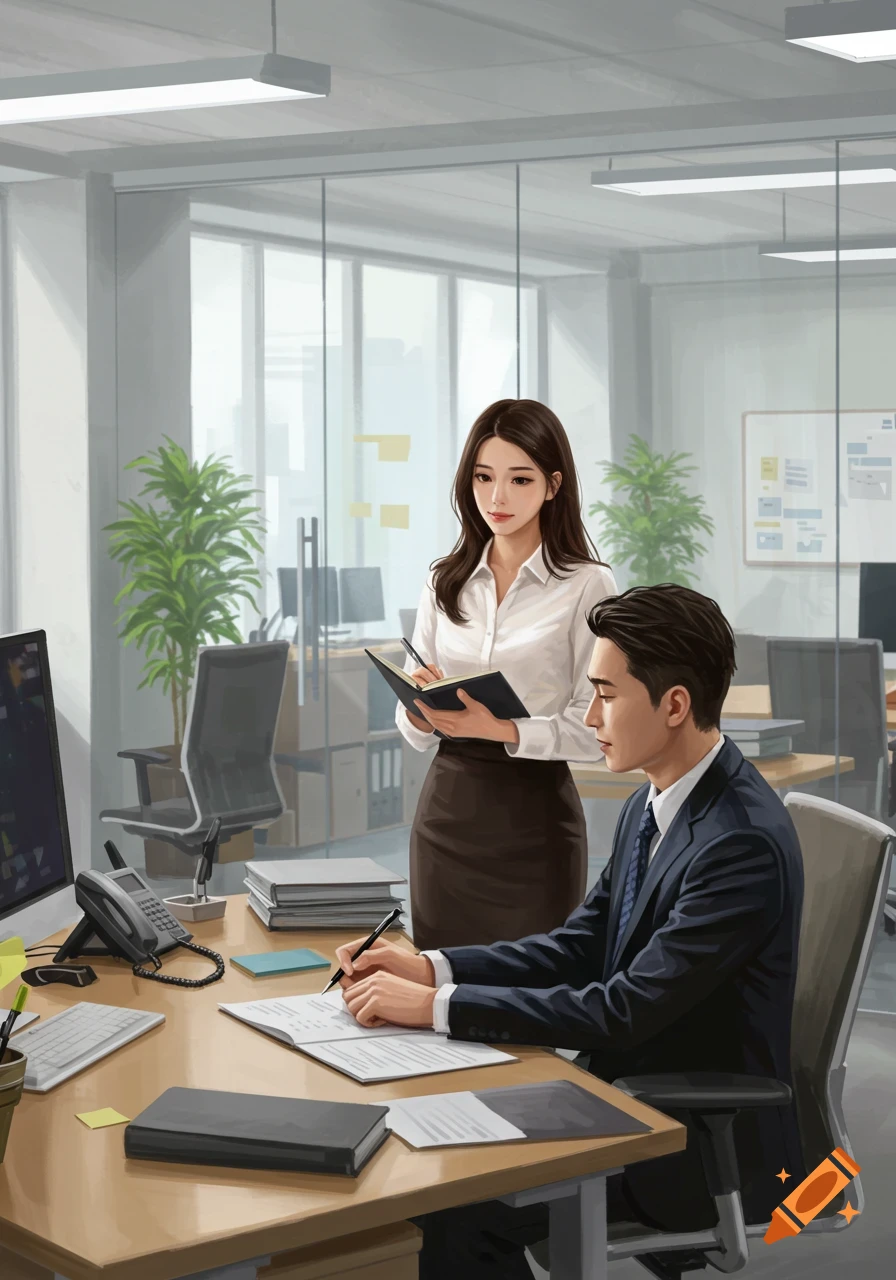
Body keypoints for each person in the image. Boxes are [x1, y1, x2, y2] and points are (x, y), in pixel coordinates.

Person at [338, 584, 806, 1280]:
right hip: (623, 1090)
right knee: (421, 1156)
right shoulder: (659, 798)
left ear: (675, 704)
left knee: (450, 1204)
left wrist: (436, 1011)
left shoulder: (736, 844)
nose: (589, 717)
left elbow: (623, 1011)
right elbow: (581, 946)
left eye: (606, 695)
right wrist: (432, 970)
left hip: (689, 1142)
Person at [397, 398, 616, 951]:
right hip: (447, 816)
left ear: (553, 485)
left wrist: (501, 728)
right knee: (437, 1000)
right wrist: (419, 707)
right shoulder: (443, 580)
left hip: (535, 821)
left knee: (530, 1003)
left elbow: (595, 728)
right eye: (483, 477)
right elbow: (411, 726)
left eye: (520, 479)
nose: (498, 497)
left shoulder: (588, 585)